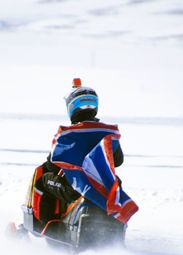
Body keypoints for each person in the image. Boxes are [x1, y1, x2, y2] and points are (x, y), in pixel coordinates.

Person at [33, 78, 124, 220]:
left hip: (76, 188)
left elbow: (52, 164)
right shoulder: (109, 131)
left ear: (72, 106)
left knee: (43, 180)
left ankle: (47, 225)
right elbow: (118, 161)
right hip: (105, 187)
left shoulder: (68, 133)